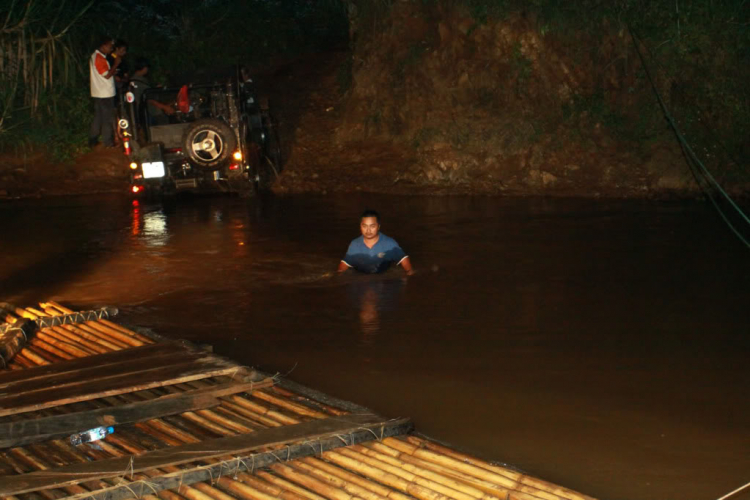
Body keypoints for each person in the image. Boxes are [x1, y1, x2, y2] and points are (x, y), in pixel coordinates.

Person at [338, 209, 414, 275]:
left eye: (372, 226)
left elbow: (405, 262)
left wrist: (410, 274)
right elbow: (342, 268)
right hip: (361, 279)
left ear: (378, 226)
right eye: (364, 226)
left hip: (384, 281)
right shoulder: (354, 245)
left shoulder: (389, 244)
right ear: (360, 226)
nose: (368, 230)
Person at [88, 37, 123, 147]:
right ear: (103, 46)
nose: (111, 48)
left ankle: (93, 140)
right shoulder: (99, 58)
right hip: (105, 94)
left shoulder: (97, 56)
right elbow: (107, 75)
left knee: (98, 117)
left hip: (99, 93)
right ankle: (108, 142)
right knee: (107, 119)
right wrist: (116, 64)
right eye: (110, 46)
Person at [129, 58, 175, 124]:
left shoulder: (141, 79)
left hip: (152, 110)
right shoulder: (136, 81)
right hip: (150, 112)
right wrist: (165, 107)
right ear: (144, 68)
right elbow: (149, 99)